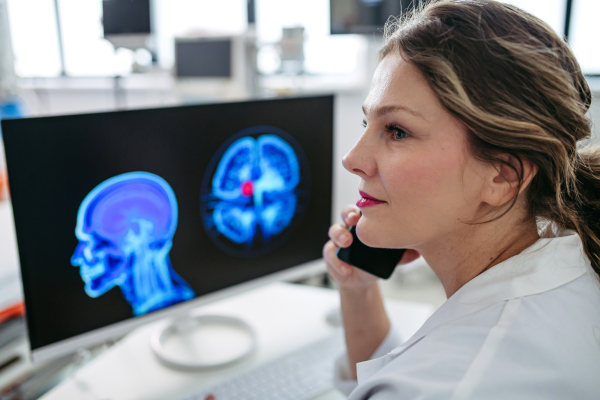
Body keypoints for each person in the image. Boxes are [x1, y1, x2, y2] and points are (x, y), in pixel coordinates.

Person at [322, 0, 600, 399]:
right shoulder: (562, 255)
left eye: (397, 131)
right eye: (369, 123)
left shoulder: (457, 383)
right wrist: (358, 289)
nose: (352, 160)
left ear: (502, 176)